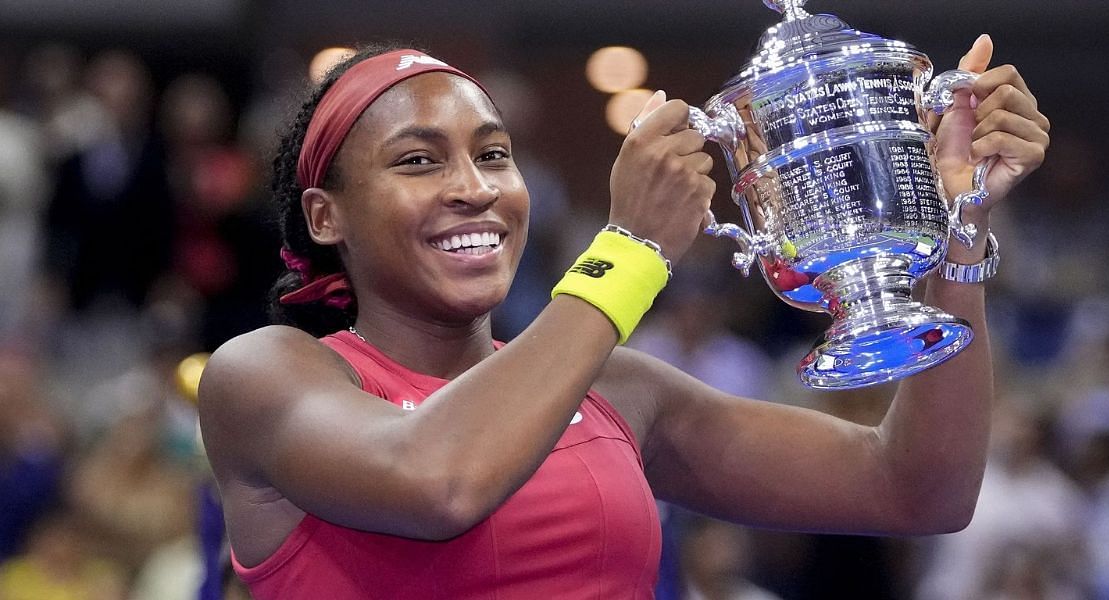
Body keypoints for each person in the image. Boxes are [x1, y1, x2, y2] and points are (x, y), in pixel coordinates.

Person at [198, 34, 1050, 598]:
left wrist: (957, 231)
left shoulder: (616, 386)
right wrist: (631, 248)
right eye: (418, 161)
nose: (474, 187)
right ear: (324, 217)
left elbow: (918, 489)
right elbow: (439, 482)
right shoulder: (265, 374)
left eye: (493, 155)